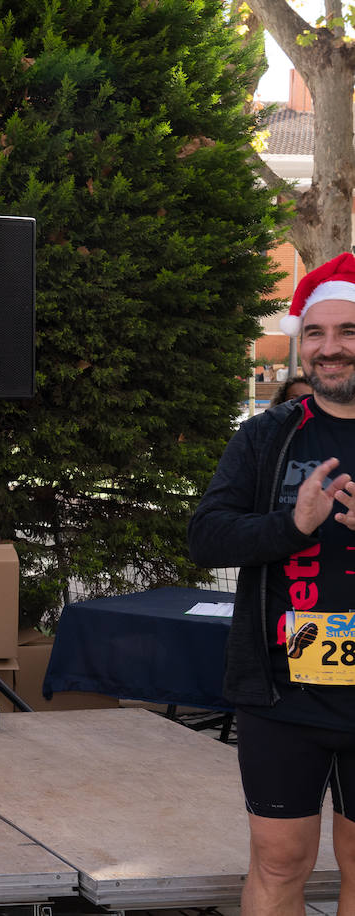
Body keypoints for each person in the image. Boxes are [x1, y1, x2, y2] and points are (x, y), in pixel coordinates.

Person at [189, 251, 355, 915]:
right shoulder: (265, 437)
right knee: (279, 860)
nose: (330, 348)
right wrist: (292, 525)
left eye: (347, 332)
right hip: (283, 689)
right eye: (315, 334)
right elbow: (208, 537)